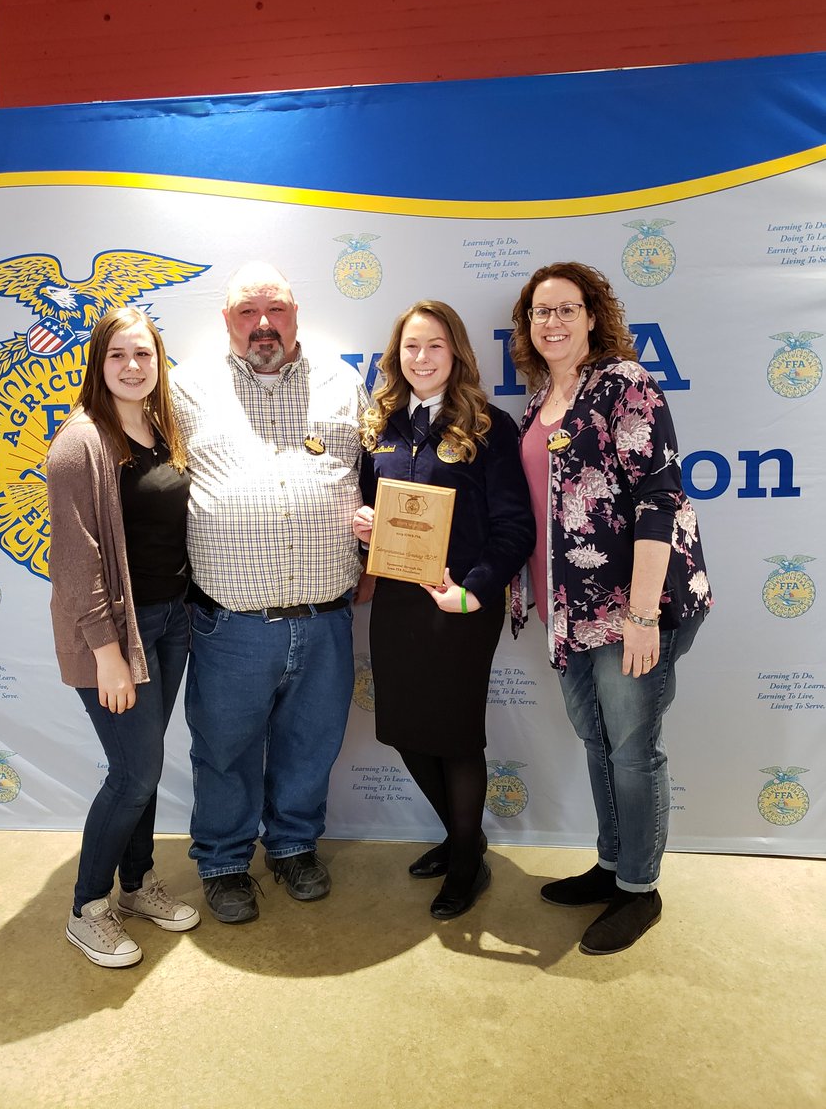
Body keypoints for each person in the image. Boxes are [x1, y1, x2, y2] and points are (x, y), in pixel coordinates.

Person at [510, 261, 711, 955]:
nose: (553, 322)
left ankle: (639, 889)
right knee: (597, 742)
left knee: (631, 750)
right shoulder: (539, 403)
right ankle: (610, 865)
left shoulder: (624, 384)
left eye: (567, 308)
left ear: (592, 317)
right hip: (569, 613)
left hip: (631, 611)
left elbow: (659, 499)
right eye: (541, 311)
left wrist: (644, 615)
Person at [171, 261, 368, 925]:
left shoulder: (343, 383)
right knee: (224, 748)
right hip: (231, 621)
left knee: (311, 743)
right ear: (226, 320)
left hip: (325, 614)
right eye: (247, 312)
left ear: (295, 314)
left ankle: (292, 847)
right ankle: (224, 860)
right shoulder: (186, 388)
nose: (263, 324)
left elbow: (376, 475)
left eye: (276, 309)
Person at [353, 300, 535, 920]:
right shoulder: (381, 425)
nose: (422, 357)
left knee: (455, 738)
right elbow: (375, 510)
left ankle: (464, 865)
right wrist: (366, 527)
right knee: (404, 730)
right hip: (398, 603)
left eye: (434, 345)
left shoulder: (488, 425)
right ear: (396, 355)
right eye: (411, 346)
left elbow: (514, 527)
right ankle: (466, 839)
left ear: (455, 351)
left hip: (460, 606)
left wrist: (474, 590)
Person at [47, 306, 199, 969]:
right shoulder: (79, 444)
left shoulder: (162, 428)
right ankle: (87, 908)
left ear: (159, 362)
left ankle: (136, 884)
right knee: (134, 773)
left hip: (171, 623)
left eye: (144, 354)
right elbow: (76, 563)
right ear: (97, 363)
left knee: (148, 765)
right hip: (114, 638)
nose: (133, 366)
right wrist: (107, 654)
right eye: (118, 355)